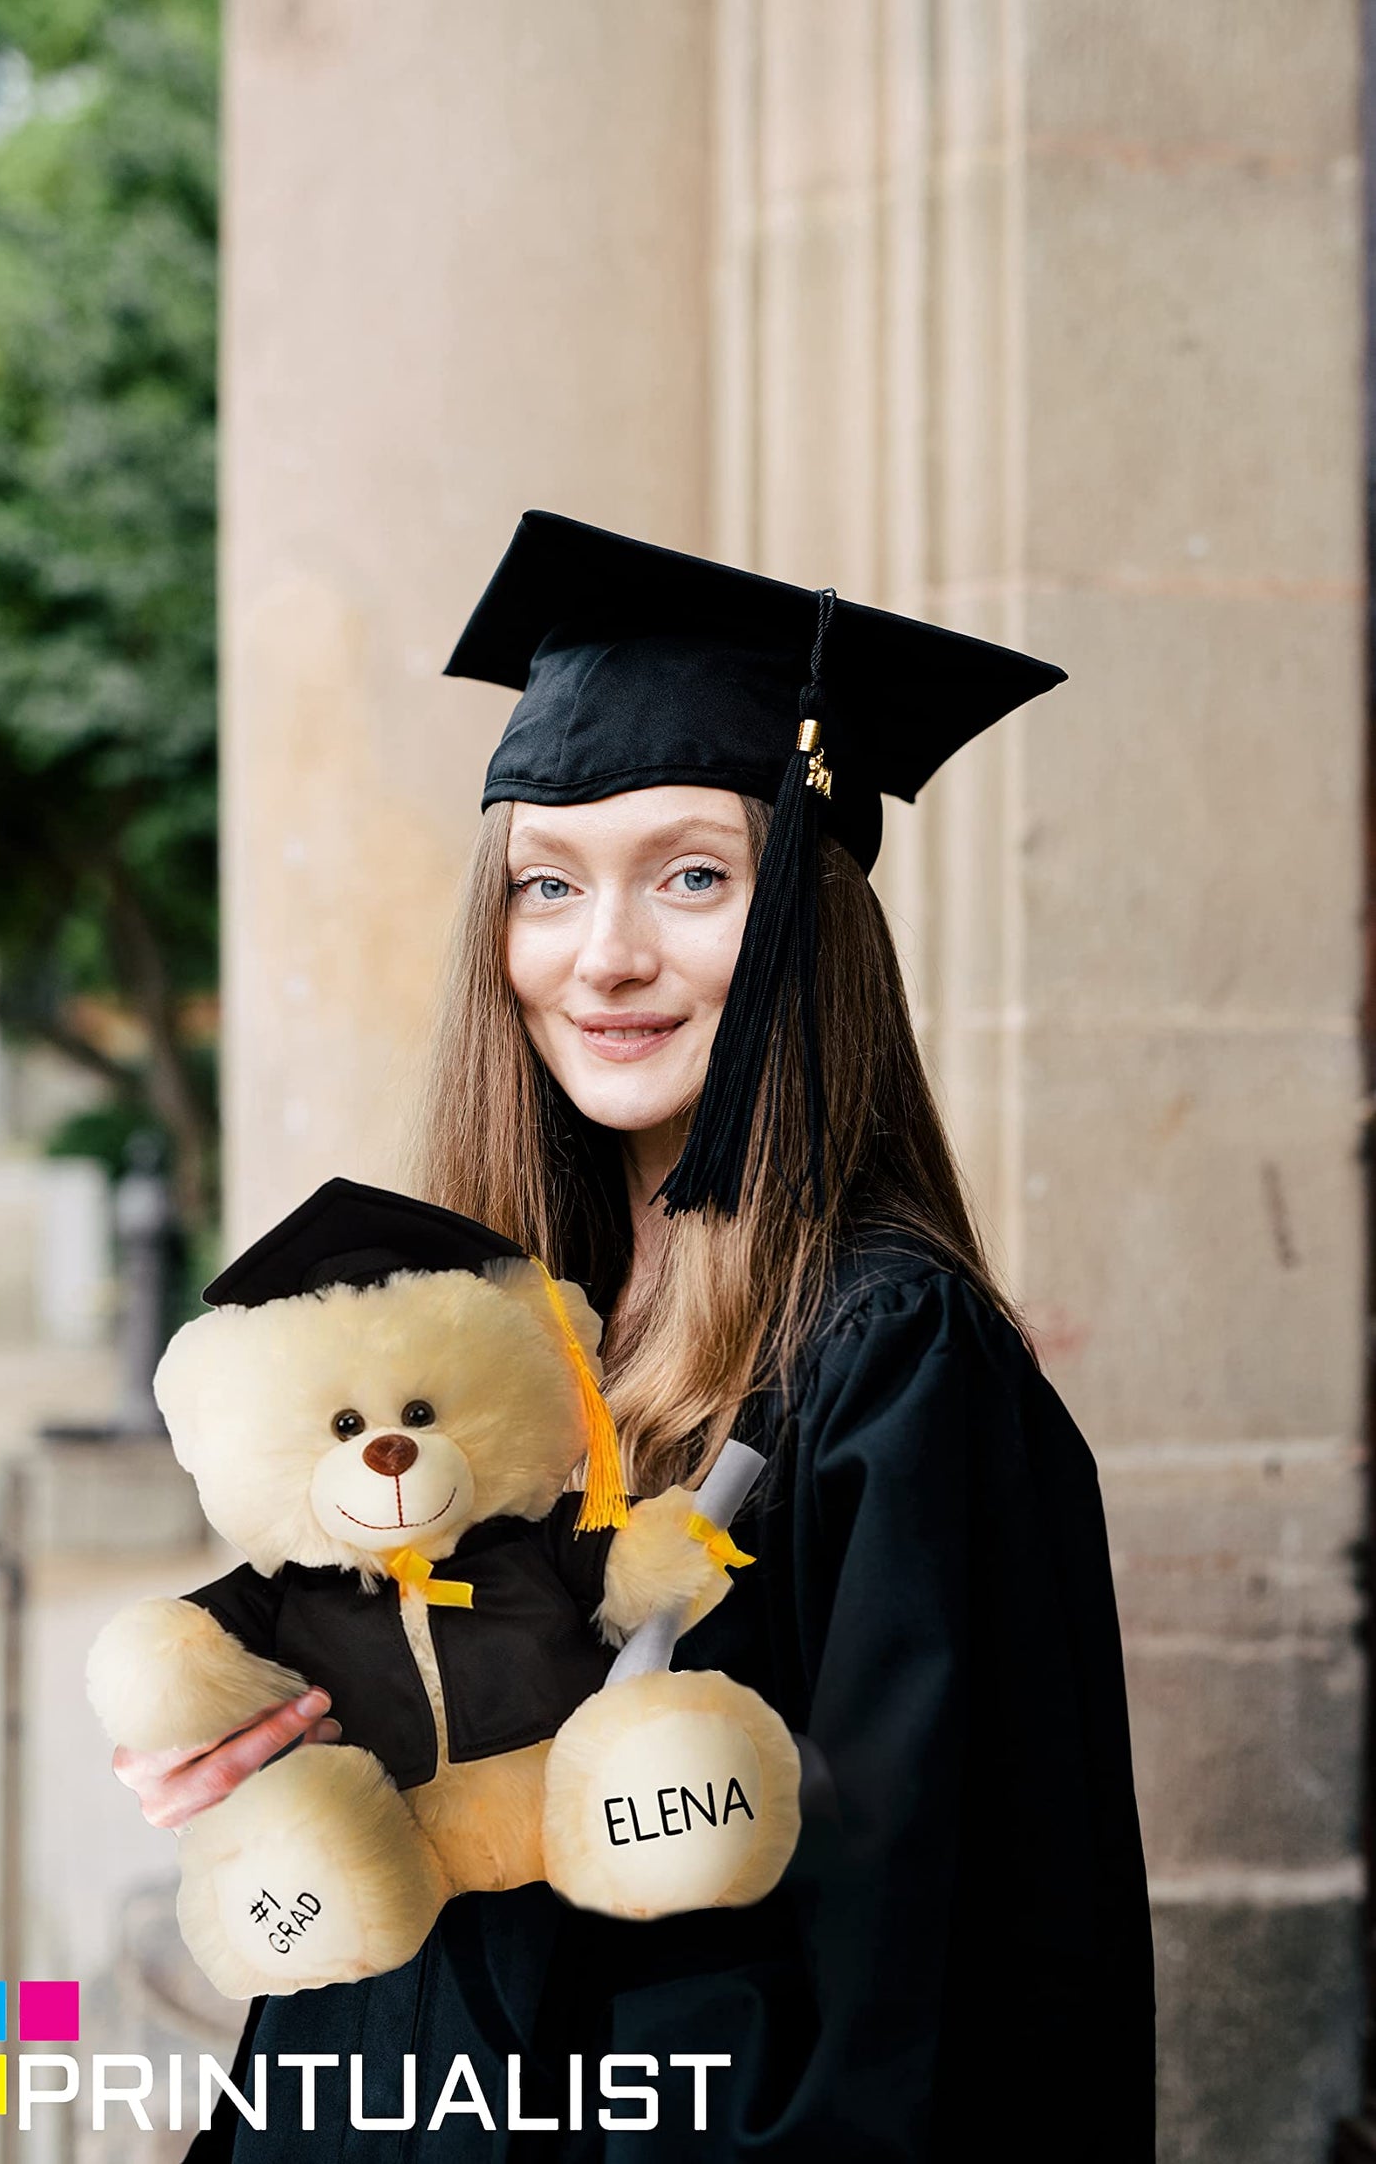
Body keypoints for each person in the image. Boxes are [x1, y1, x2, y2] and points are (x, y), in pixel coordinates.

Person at [118, 510, 1157, 2160]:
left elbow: (942, 1968)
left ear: (805, 919)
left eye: (690, 874)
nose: (602, 955)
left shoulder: (891, 1364)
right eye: (547, 884)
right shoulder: (491, 1344)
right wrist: (287, 1745)